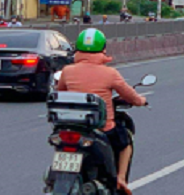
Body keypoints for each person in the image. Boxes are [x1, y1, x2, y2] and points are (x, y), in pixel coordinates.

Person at [57, 28, 147, 193]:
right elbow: (130, 96)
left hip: (71, 127)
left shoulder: (67, 71)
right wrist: (141, 101)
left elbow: (60, 93)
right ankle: (120, 179)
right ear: (103, 49)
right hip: (101, 129)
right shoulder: (110, 73)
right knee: (125, 143)